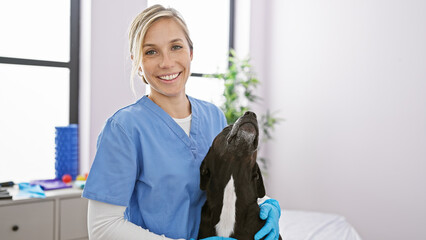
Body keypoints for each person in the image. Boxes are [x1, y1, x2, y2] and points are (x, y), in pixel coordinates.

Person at [82, 4, 281, 240]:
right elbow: (103, 228)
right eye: (151, 52)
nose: (166, 62)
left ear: (190, 52)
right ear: (138, 63)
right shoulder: (123, 129)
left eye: (176, 47)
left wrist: (265, 204)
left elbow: (228, 184)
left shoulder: (213, 116)